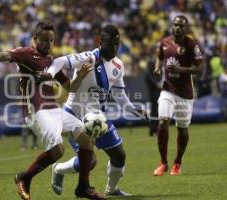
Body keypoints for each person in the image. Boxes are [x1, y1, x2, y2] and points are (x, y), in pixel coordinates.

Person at [0, 21, 105, 200]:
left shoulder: (51, 61)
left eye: (51, 40)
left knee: (86, 138)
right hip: (36, 110)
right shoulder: (26, 53)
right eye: (45, 40)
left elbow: (70, 88)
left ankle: (83, 187)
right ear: (35, 39)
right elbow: (3, 56)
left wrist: (81, 76)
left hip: (53, 109)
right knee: (58, 151)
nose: (49, 44)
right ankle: (24, 177)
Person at [47, 24, 144, 197]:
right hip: (75, 116)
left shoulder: (118, 65)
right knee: (89, 161)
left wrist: (132, 109)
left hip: (98, 117)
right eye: (110, 44)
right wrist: (49, 75)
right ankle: (59, 170)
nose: (114, 48)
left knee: (119, 155)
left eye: (117, 44)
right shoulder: (88, 58)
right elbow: (59, 61)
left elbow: (119, 94)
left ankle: (112, 189)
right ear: (100, 41)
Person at [153, 15, 204, 176]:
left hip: (185, 93)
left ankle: (178, 162)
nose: (177, 28)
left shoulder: (192, 45)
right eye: (175, 25)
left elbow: (199, 68)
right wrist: (157, 68)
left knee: (182, 129)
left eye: (181, 25)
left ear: (186, 28)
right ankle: (163, 163)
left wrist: (181, 70)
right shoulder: (165, 42)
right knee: (163, 122)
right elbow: (159, 56)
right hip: (168, 89)